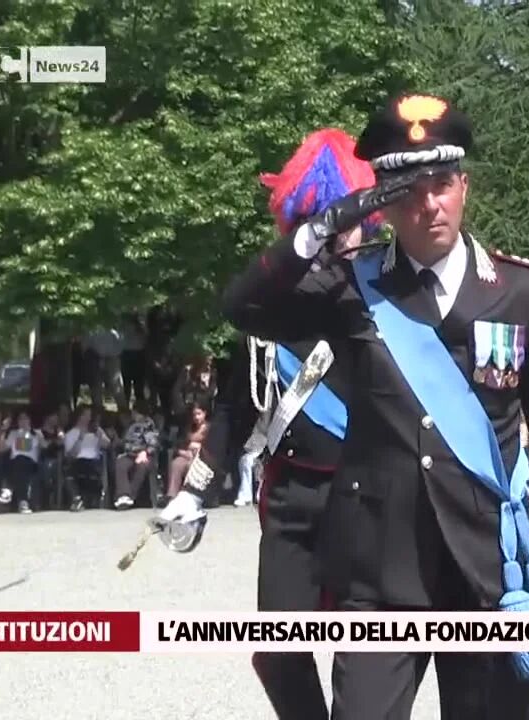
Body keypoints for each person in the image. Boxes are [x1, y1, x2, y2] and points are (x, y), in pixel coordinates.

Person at [221, 92, 529, 719]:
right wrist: (322, 228)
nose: (431, 204)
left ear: (464, 186)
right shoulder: (350, 287)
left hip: (489, 569)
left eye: (443, 184)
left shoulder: (522, 293)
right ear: (386, 204)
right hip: (378, 570)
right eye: (410, 190)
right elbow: (243, 307)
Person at [155, 128, 378, 720]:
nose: (343, 236)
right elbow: (234, 405)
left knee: (367, 657)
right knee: (278, 654)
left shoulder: (379, 302)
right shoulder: (268, 309)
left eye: (349, 222)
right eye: (325, 222)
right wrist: (196, 490)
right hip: (292, 497)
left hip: (367, 495)